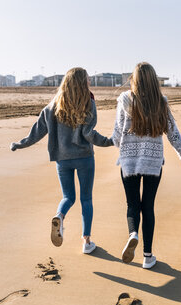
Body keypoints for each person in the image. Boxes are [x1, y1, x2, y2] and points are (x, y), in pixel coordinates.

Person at [10, 67, 113, 254]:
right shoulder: (88, 102)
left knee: (68, 197)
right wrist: (109, 141)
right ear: (83, 82)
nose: (90, 81)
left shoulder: (53, 106)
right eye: (88, 79)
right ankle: (86, 242)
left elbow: (37, 132)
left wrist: (19, 144)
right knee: (86, 199)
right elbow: (89, 134)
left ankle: (59, 216)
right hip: (84, 158)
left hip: (62, 159)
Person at [112, 62, 181, 269]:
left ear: (134, 80)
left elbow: (116, 136)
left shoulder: (124, 100)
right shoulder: (161, 103)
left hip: (129, 162)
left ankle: (133, 234)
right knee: (147, 206)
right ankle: (148, 256)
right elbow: (174, 136)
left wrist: (115, 144)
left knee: (132, 205)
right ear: (154, 81)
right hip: (153, 163)